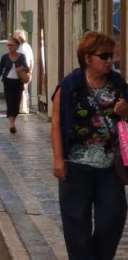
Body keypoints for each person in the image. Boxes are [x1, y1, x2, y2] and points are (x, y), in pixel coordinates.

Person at [51, 31, 128, 260]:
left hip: (110, 167)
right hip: (76, 166)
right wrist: (58, 159)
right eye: (104, 56)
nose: (109, 61)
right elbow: (56, 123)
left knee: (113, 218)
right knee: (76, 225)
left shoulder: (118, 84)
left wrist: (126, 111)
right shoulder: (70, 86)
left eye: (111, 56)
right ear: (87, 58)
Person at [0, 36, 29, 134]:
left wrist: (22, 69)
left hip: (18, 83)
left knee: (16, 104)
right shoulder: (5, 57)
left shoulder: (21, 57)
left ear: (17, 46)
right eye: (8, 45)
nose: (9, 47)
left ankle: (13, 119)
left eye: (11, 45)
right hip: (8, 82)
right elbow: (0, 70)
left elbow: (27, 68)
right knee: (10, 103)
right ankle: (11, 124)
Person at [14, 28, 34, 113]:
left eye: (19, 37)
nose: (18, 38)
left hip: (23, 71)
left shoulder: (26, 47)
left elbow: (31, 61)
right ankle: (20, 108)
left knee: (23, 89)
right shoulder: (16, 47)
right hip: (16, 71)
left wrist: (30, 72)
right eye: (16, 37)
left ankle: (24, 108)